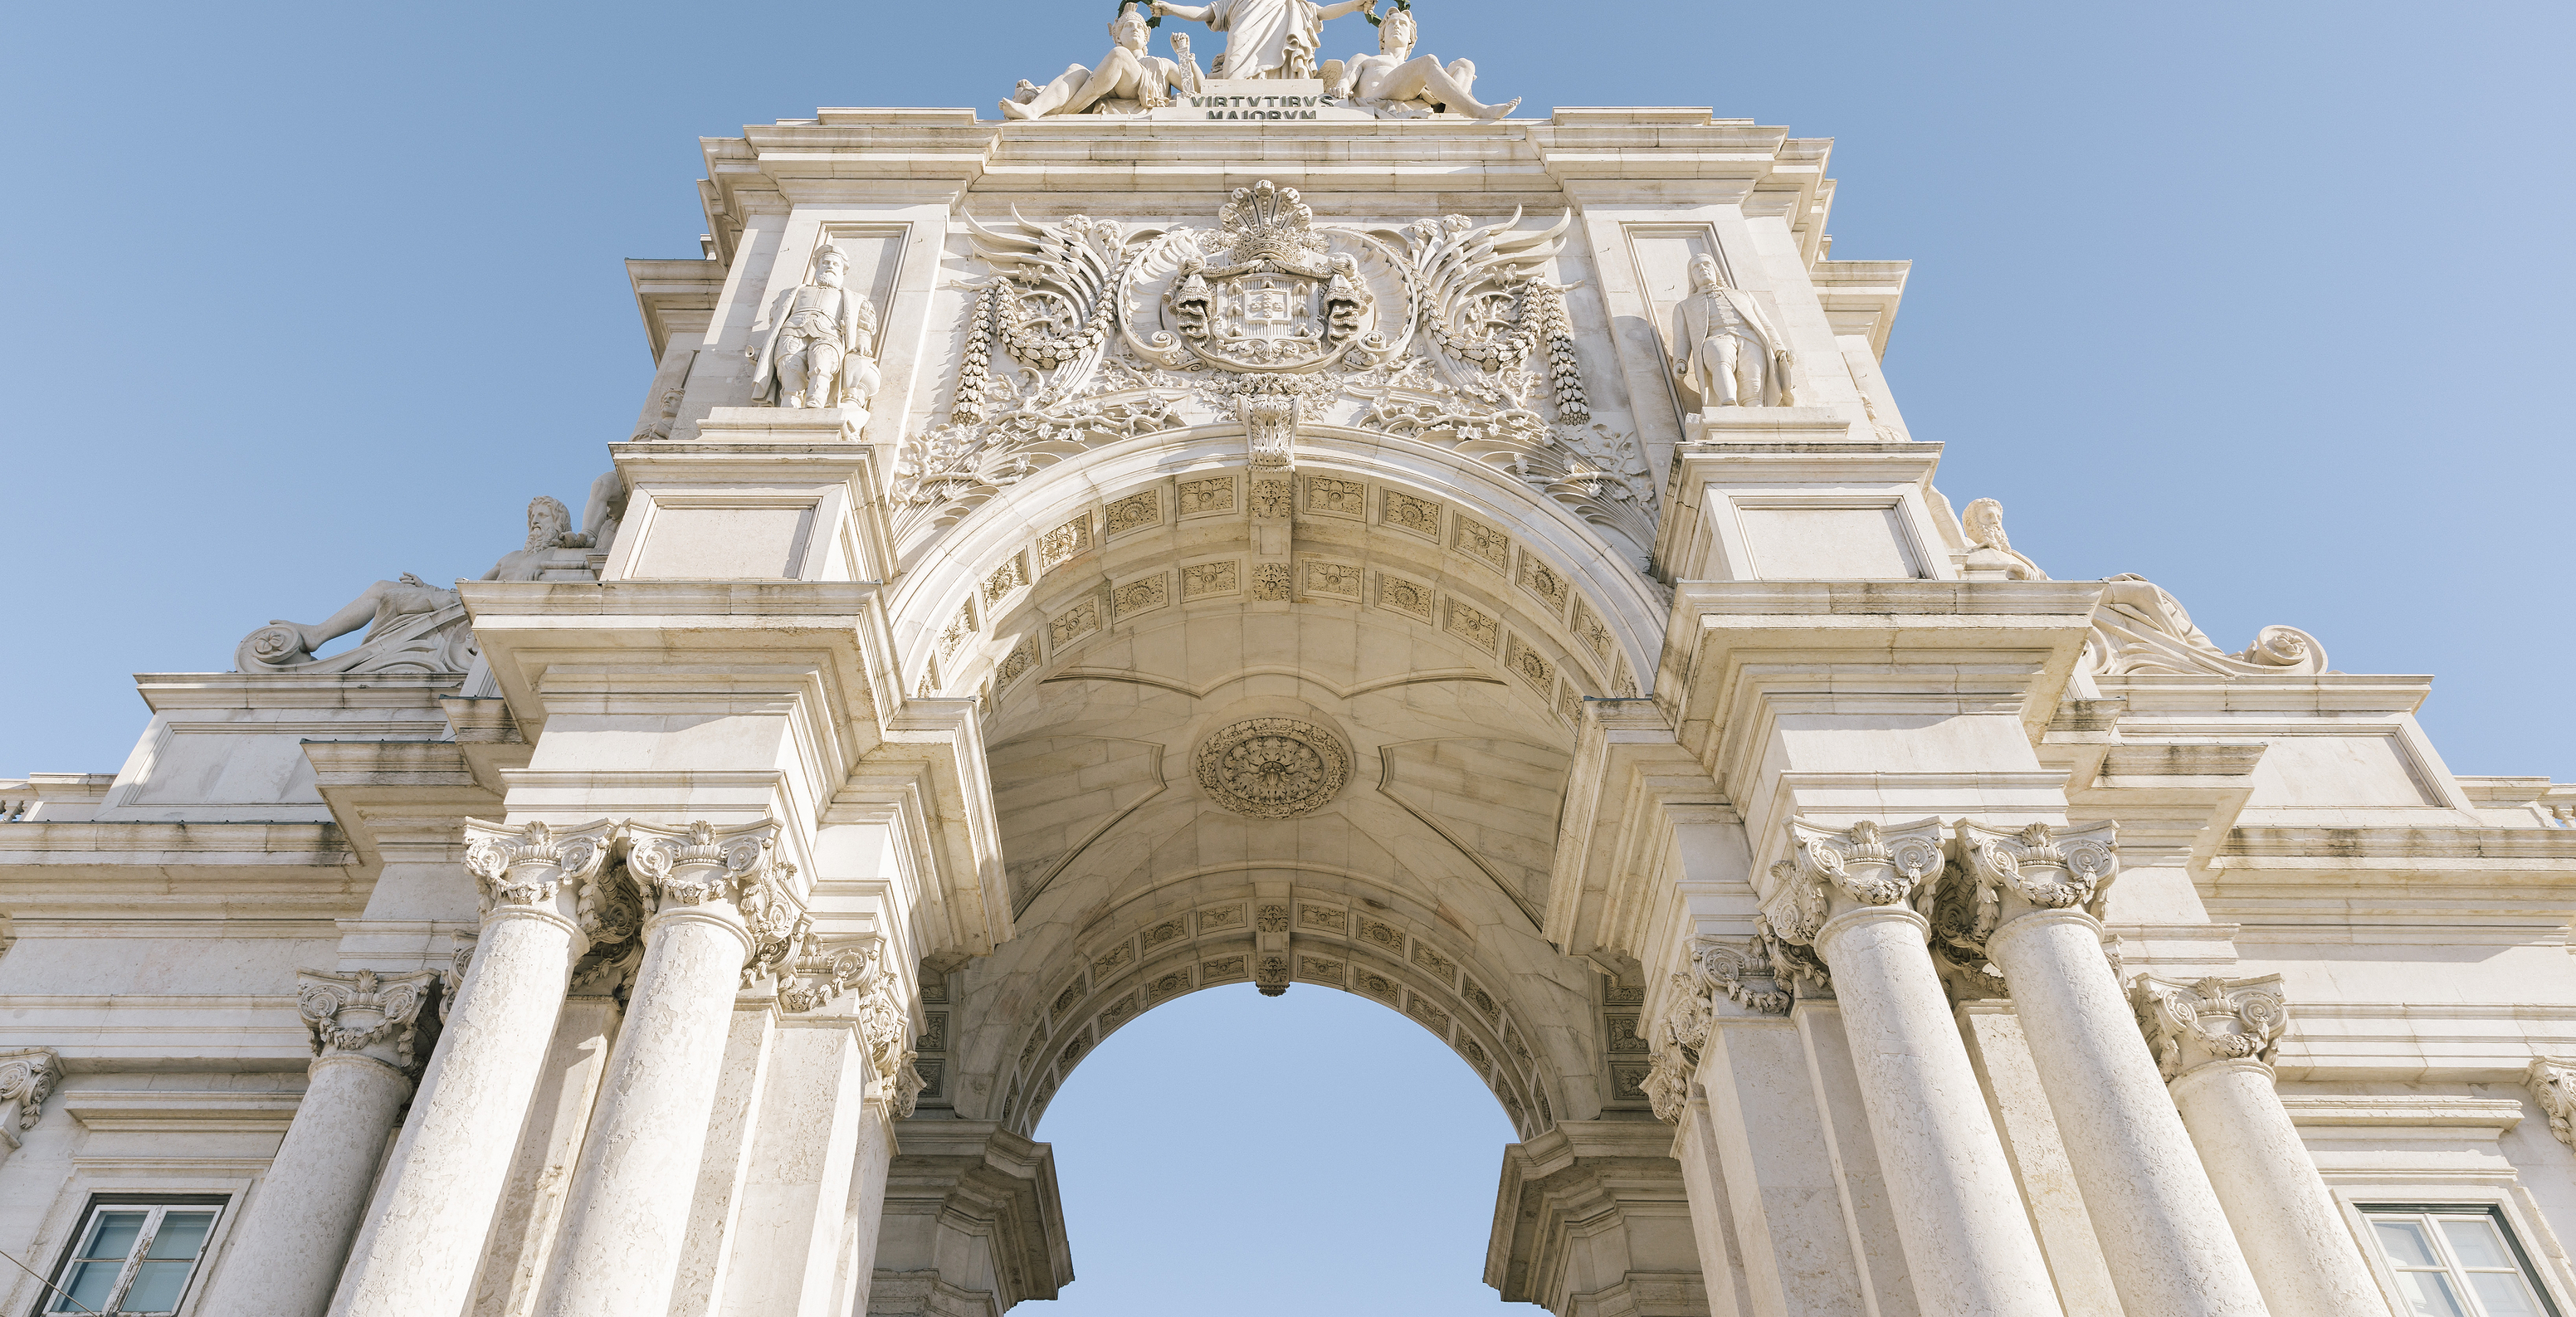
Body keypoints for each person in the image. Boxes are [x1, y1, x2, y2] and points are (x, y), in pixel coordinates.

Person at [749, 244, 881, 411]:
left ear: (842, 271)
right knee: (790, 364)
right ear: (818, 267)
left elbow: (863, 326)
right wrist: (763, 349)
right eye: (825, 263)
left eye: (835, 264)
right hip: (792, 332)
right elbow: (775, 325)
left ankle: (816, 402)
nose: (829, 267)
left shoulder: (853, 298)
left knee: (822, 362)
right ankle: (790, 402)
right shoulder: (794, 292)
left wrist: (863, 342)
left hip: (829, 334)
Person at [1002, 4, 1193, 119]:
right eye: (1128, 26)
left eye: (1139, 27)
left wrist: (1183, 53)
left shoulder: (1162, 64)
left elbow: (1197, 91)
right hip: (1105, 91)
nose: (1135, 29)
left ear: (1146, 37)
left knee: (1119, 56)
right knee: (1077, 69)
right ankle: (1034, 110)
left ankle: (1061, 111)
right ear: (1118, 36)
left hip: (1142, 91)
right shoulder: (1112, 63)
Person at [1336, 6, 1516, 120]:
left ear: (1410, 39)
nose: (1397, 26)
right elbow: (1346, 80)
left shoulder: (1415, 70)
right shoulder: (1365, 59)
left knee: (1465, 64)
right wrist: (1342, 86)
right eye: (1391, 23)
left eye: (1403, 24)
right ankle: (1479, 111)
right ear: (1382, 35)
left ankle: (1450, 113)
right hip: (1377, 98)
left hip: (1420, 95)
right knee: (1428, 62)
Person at [1671, 252, 1793, 408]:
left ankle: (1756, 409)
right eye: (1696, 268)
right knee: (1719, 357)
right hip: (1716, 339)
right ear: (1692, 277)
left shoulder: (1743, 295)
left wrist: (1780, 350)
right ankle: (1728, 403)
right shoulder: (1684, 306)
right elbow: (1681, 338)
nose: (1702, 269)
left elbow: (1765, 324)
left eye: (1706, 265)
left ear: (1715, 270)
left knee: (1753, 379)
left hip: (1750, 339)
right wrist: (1680, 360)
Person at [1151, 0, 1377, 80]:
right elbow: (1204, 13)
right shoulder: (1234, 0)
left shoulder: (1292, 1)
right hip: (1242, 39)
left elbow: (1321, 12)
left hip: (1284, 49)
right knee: (1234, 82)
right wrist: (1170, 8)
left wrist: (1353, 5)